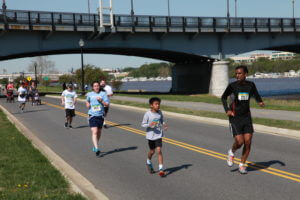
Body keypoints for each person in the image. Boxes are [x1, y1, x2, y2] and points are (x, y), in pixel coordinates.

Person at [221, 65, 265, 174]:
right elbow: (223, 97)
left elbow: (256, 94)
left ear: (245, 74)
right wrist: (227, 109)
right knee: (240, 142)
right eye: (236, 73)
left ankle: (242, 165)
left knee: (248, 142)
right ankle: (231, 152)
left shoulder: (251, 85)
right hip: (235, 117)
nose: (237, 75)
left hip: (246, 117)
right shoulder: (232, 86)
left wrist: (260, 101)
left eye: (239, 73)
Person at [142, 97, 168, 177]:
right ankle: (148, 161)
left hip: (158, 135)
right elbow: (143, 124)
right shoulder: (147, 114)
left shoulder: (160, 112)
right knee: (152, 151)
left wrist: (164, 124)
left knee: (159, 150)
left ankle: (161, 169)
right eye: (156, 104)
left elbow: (161, 120)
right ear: (151, 105)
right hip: (150, 136)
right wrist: (150, 125)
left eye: (158, 104)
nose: (158, 105)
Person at [86, 81, 109, 156]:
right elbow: (87, 102)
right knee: (94, 131)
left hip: (100, 116)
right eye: (95, 86)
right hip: (92, 115)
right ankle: (96, 148)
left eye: (97, 86)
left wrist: (101, 101)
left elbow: (107, 104)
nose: (96, 87)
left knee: (99, 132)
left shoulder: (103, 94)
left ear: (99, 86)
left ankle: (95, 145)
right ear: (93, 87)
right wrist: (88, 104)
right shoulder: (90, 94)